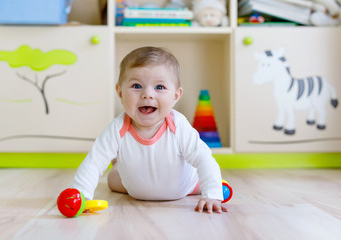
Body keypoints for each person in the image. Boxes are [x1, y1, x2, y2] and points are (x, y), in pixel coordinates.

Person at [73, 46, 227, 213]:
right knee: (113, 180)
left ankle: (217, 183)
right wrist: (82, 195)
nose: (147, 94)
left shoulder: (178, 126)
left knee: (205, 177)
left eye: (159, 87)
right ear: (120, 92)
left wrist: (212, 194)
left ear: (175, 96)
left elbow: (203, 158)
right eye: (136, 86)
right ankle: (120, 166)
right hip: (135, 188)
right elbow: (94, 161)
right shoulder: (117, 128)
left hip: (184, 188)